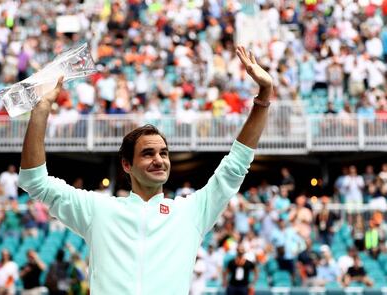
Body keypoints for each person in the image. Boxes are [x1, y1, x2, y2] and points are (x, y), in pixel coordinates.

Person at [18, 46, 273, 294]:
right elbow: (35, 181)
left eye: (163, 153)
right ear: (127, 165)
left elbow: (235, 165)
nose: (159, 160)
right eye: (147, 153)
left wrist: (264, 96)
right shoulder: (99, 209)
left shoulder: (191, 211)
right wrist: (41, 110)